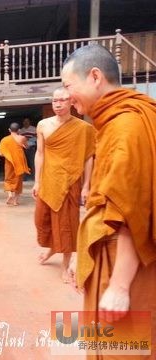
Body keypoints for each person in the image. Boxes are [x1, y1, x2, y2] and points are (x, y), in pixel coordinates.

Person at [63, 44, 156, 357]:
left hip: (125, 260)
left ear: (94, 76)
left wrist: (118, 286)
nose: (65, 95)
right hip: (110, 246)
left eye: (67, 85)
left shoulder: (126, 126)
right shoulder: (119, 119)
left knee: (121, 347)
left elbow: (131, 209)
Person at [32, 87, 95, 283]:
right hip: (49, 179)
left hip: (70, 182)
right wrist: (37, 181)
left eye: (63, 100)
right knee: (44, 220)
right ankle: (52, 249)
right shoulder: (43, 125)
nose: (58, 104)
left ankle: (66, 265)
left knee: (67, 224)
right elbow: (40, 153)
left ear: (71, 102)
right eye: (55, 100)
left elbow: (88, 158)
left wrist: (86, 186)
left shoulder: (84, 128)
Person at [0, 123, 30, 206]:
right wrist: (22, 145)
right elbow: (27, 147)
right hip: (19, 161)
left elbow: (1, 153)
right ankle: (15, 201)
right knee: (19, 180)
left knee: (8, 178)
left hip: (9, 161)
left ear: (9, 130)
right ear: (19, 130)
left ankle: (9, 194)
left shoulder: (4, 139)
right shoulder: (22, 138)